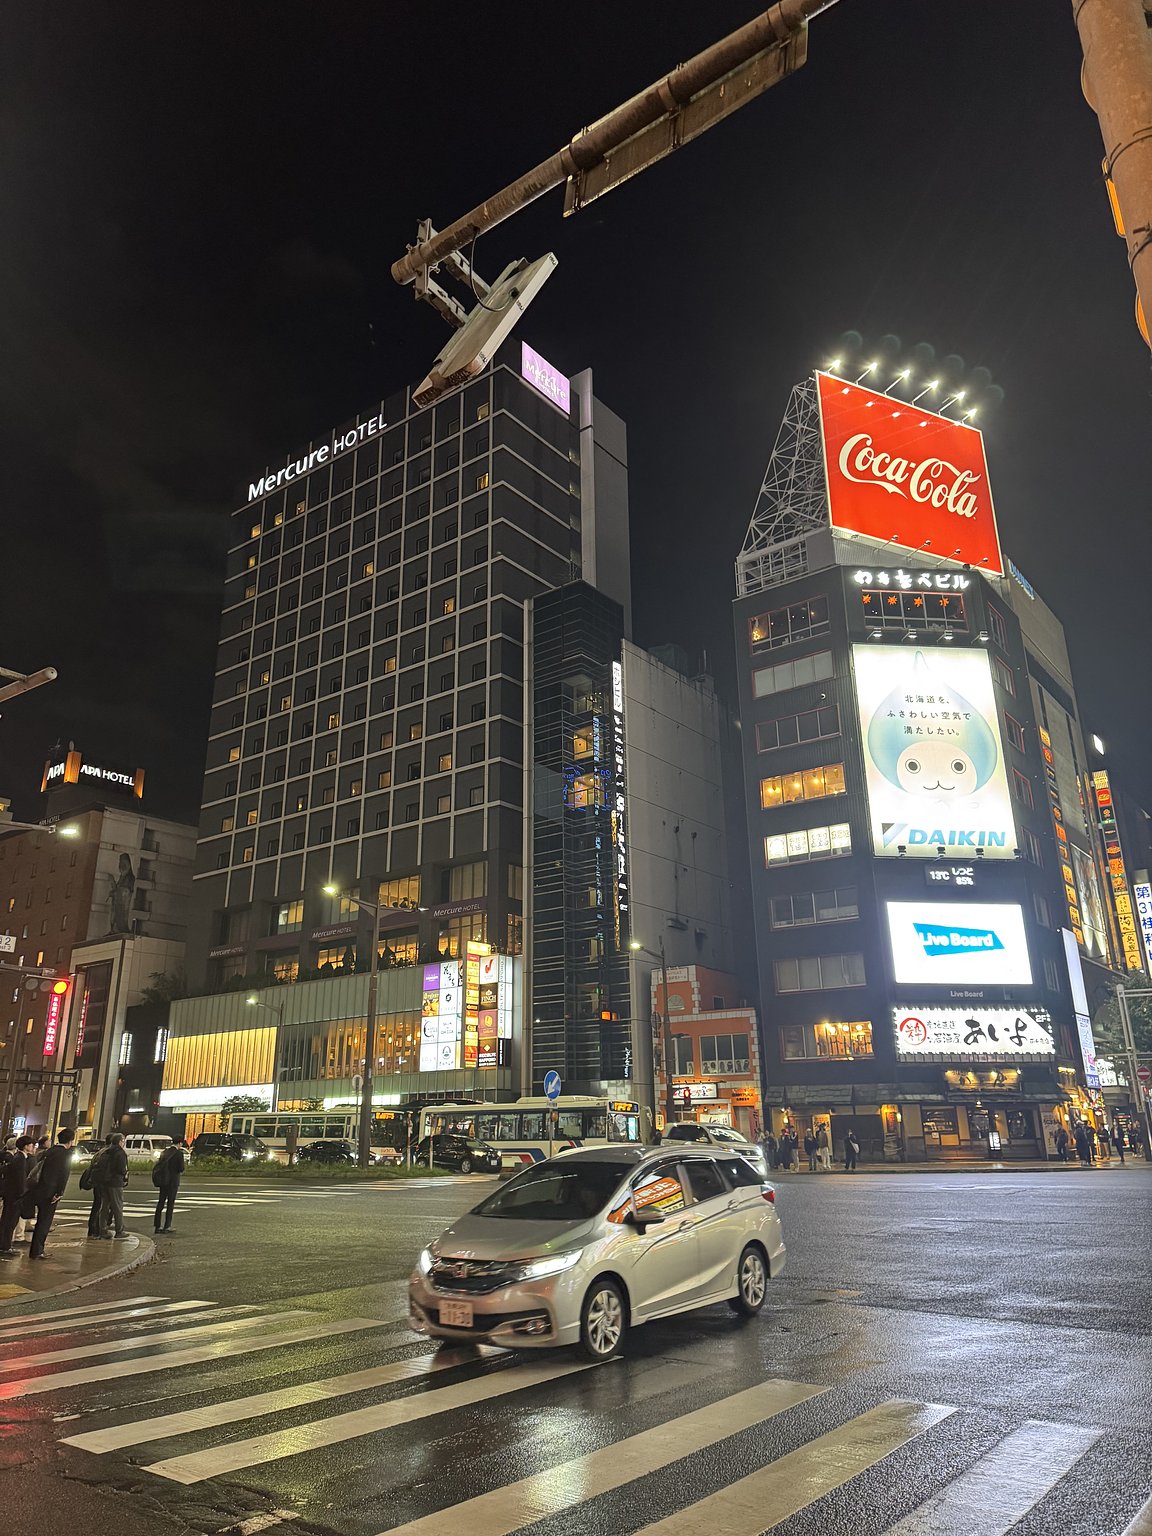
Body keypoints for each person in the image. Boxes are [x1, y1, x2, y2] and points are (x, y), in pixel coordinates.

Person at [28, 1128, 75, 1260]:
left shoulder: (49, 1151)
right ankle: (37, 1251)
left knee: (40, 1221)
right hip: (51, 1192)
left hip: (39, 1188)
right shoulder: (65, 1154)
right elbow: (63, 1175)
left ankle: (35, 1250)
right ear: (70, 1141)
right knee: (44, 1221)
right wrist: (59, 1192)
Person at [0, 1137, 33, 1258]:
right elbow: (20, 1180)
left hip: (11, 1195)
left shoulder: (18, 1157)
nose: (33, 1147)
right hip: (15, 1196)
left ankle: (5, 1245)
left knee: (8, 1221)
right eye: (31, 1145)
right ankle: (5, 1246)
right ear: (25, 1146)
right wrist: (22, 1194)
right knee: (10, 1221)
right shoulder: (20, 1159)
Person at [92, 1132, 129, 1239]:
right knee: (117, 1206)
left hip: (104, 1182)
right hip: (115, 1183)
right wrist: (125, 1174)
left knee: (104, 1206)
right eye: (123, 1141)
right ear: (119, 1141)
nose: (123, 1143)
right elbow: (122, 1169)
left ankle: (102, 1230)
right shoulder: (120, 1153)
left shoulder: (106, 1151)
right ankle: (119, 1230)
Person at [153, 1138, 187, 1233]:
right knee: (170, 1204)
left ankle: (157, 1226)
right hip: (173, 1182)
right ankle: (167, 1226)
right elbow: (181, 1168)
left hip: (163, 1181)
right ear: (180, 1143)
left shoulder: (165, 1151)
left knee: (161, 1202)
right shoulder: (179, 1154)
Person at [86, 1134, 114, 1235]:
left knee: (97, 1205)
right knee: (102, 1206)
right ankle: (97, 1229)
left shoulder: (99, 1152)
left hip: (96, 1182)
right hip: (103, 1183)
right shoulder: (107, 1153)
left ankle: (92, 1229)